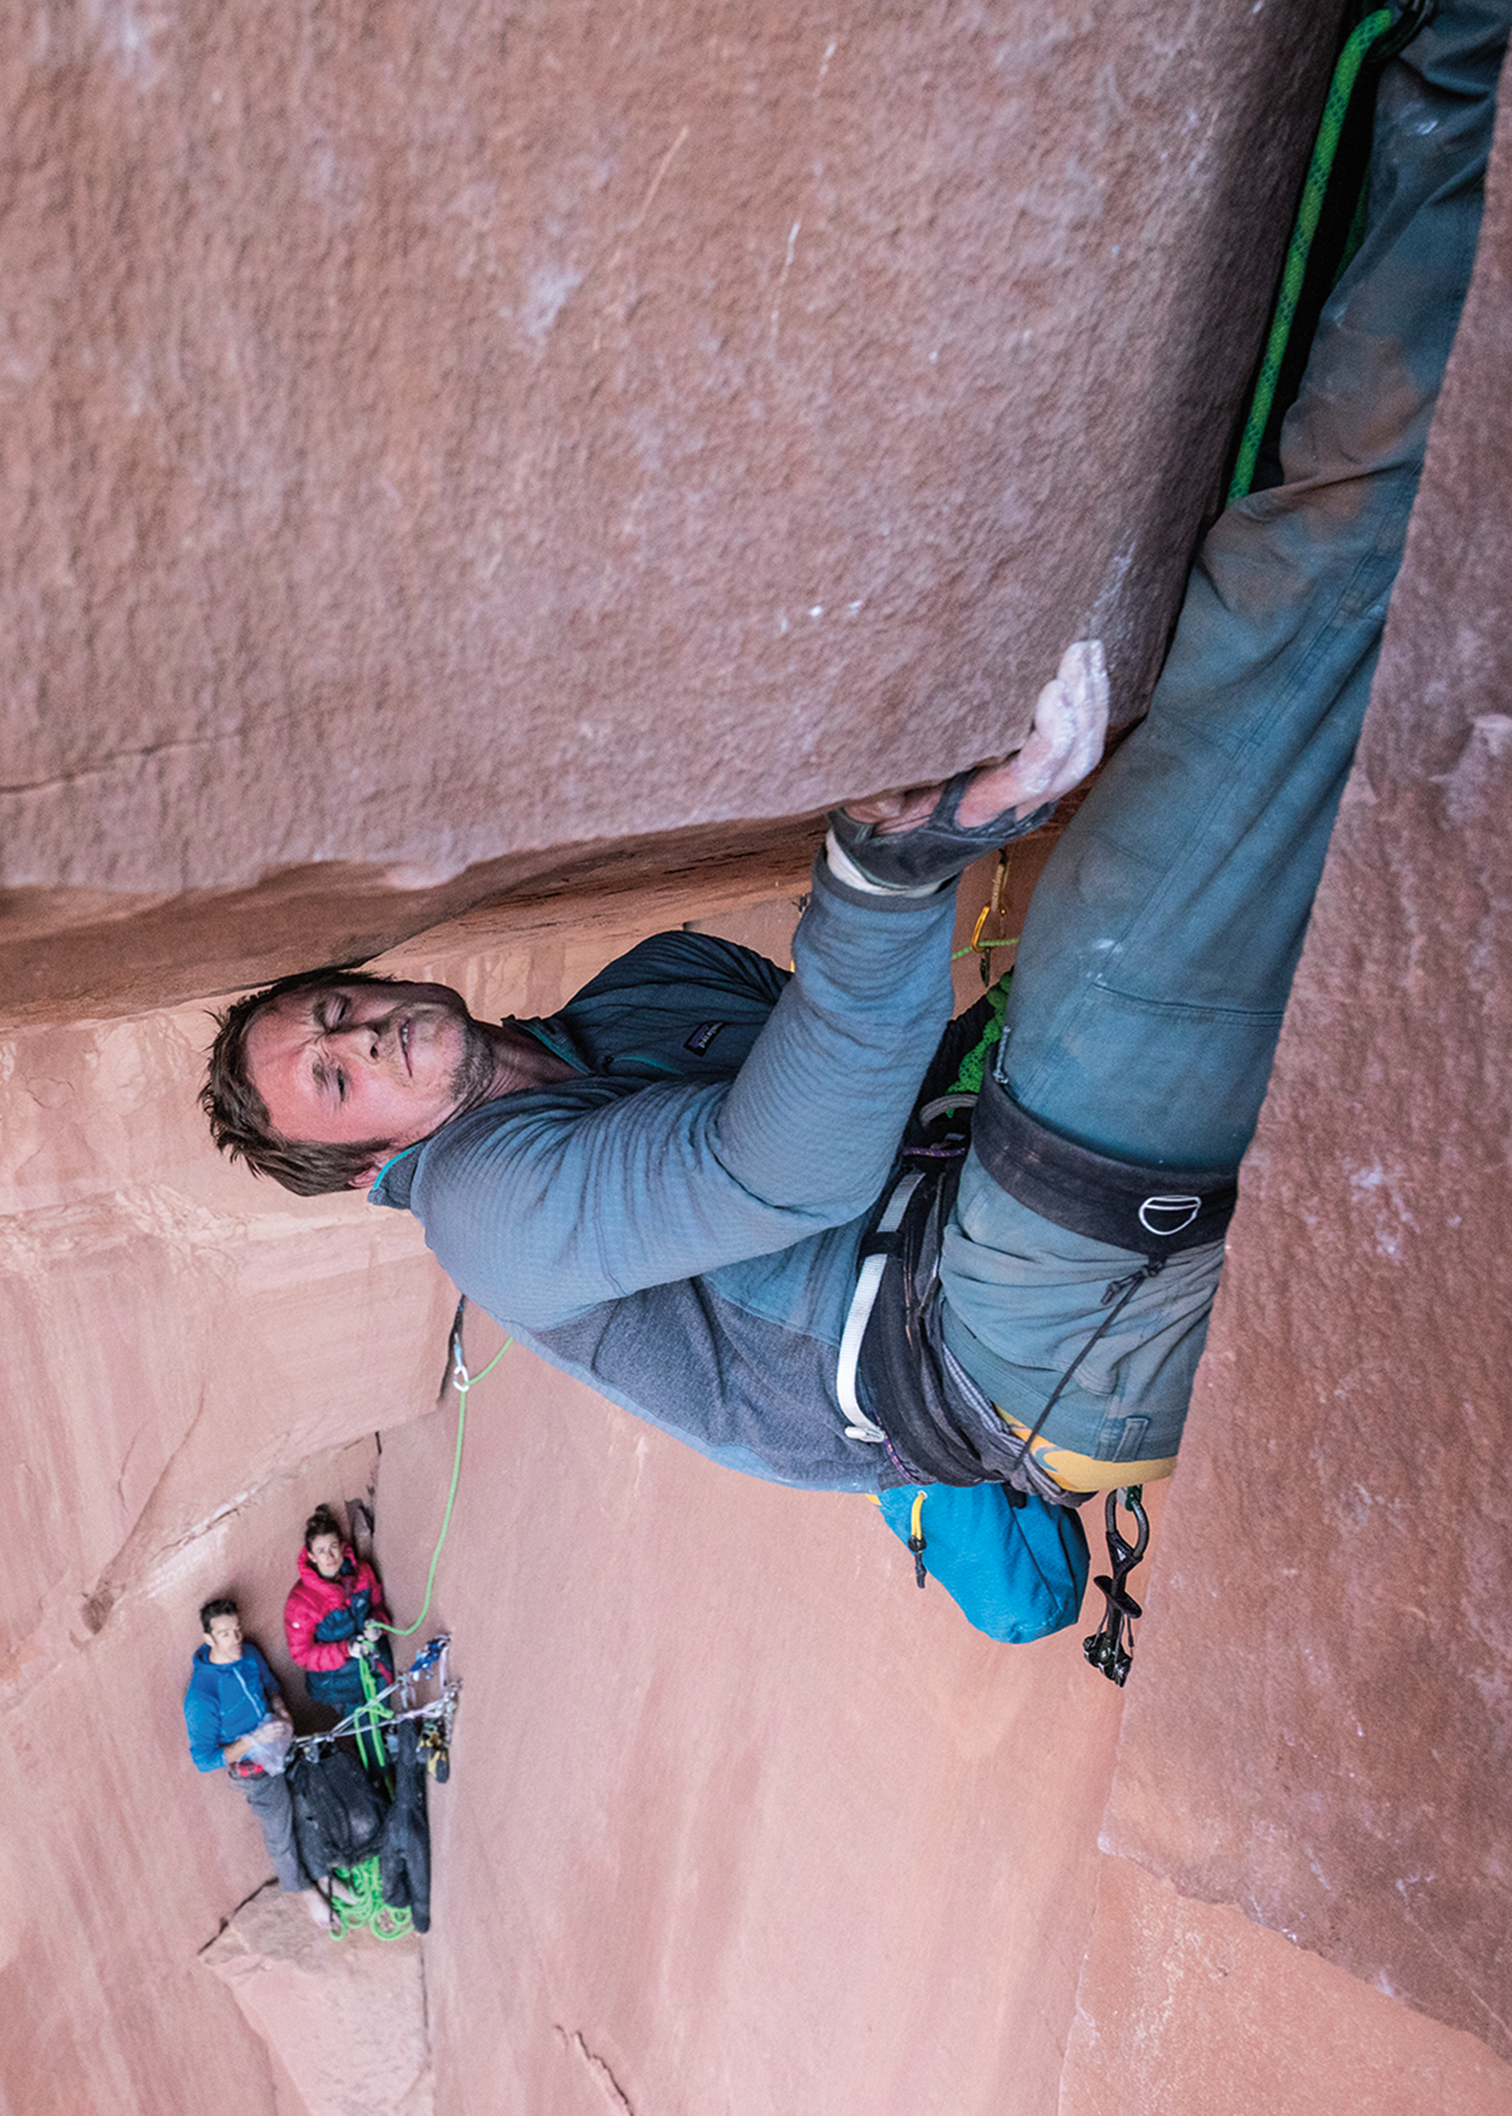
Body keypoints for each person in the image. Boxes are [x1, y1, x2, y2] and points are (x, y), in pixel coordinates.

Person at [201, 4, 1507, 1530]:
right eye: (340, 1077)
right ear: (362, 1164)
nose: (369, 1035)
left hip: (996, 1213)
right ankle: (1467, 81)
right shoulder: (488, 1219)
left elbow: (868, 1072)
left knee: (1208, 823)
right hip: (1004, 1342)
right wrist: (887, 880)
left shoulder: (648, 990)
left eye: (336, 1008)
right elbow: (791, 1180)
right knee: (1247, 697)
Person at [183, 1597, 333, 1926]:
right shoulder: (202, 1694)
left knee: (307, 1807)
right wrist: (252, 1740)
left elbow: (270, 1686)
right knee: (280, 1828)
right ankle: (303, 1891)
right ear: (208, 1639)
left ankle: (323, 1877)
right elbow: (206, 1760)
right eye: (224, 1634)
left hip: (278, 1745)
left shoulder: (248, 1654)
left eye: (237, 1630)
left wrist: (281, 1712)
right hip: (253, 1770)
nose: (235, 1639)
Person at [284, 1506, 394, 1718]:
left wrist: (376, 1625)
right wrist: (346, 1649)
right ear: (311, 1556)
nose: (330, 1556)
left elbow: (379, 1608)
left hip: (376, 1668)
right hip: (339, 1686)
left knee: (387, 1723)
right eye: (321, 1551)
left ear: (343, 1547)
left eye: (334, 1547)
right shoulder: (300, 1602)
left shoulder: (362, 1573)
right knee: (366, 1735)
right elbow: (302, 1654)